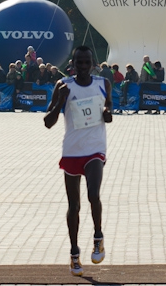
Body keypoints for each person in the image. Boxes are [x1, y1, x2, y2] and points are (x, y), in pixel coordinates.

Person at [43, 46, 112, 277]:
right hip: (72, 150)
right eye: (79, 62)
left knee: (93, 195)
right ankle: (74, 253)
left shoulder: (103, 84)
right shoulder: (63, 86)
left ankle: (98, 236)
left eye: (87, 62)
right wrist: (60, 101)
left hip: (95, 149)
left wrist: (108, 113)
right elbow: (48, 122)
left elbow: (109, 107)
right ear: (72, 64)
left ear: (93, 64)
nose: (83, 67)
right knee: (74, 206)